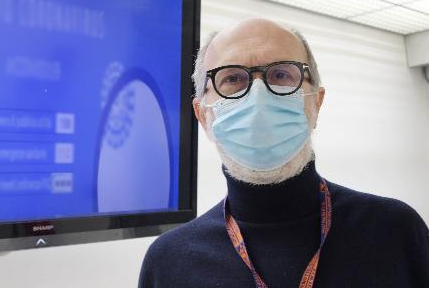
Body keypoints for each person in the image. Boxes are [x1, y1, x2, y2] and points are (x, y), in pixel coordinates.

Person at [138, 18, 429, 288]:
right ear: (202, 115)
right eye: (232, 79)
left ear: (316, 102)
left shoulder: (394, 231)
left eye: (280, 74)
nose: (259, 96)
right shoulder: (168, 263)